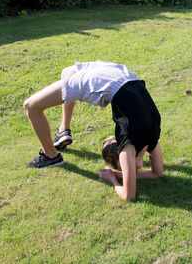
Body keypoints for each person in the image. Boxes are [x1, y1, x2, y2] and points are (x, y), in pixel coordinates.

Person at [23, 60, 163, 200]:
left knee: (67, 72)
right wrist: (113, 178)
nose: (135, 168)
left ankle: (63, 131)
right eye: (124, 168)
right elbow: (130, 195)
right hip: (98, 80)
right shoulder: (129, 145)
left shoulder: (151, 134)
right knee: (30, 106)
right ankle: (52, 156)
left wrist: (116, 176)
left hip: (117, 75)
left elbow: (155, 174)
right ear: (121, 154)